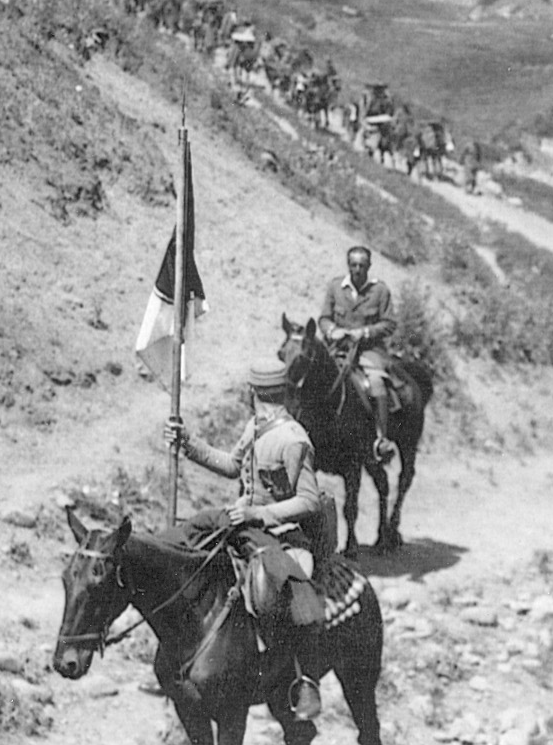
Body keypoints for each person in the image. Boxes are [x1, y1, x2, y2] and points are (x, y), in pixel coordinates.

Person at [165, 362, 326, 715]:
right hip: (244, 522)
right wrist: (188, 443)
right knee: (194, 547)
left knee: (272, 593)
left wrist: (259, 514)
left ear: (252, 393)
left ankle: (296, 676)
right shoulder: (256, 426)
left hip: (283, 535)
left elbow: (309, 501)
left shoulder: (294, 439)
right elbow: (232, 466)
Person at [320, 245, 398, 462]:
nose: (357, 270)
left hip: (368, 350)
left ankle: (381, 439)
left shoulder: (380, 291)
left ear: (369, 266)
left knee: (376, 382)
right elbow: (324, 318)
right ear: (348, 265)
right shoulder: (336, 287)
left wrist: (363, 332)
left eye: (362, 266)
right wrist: (333, 331)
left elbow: (389, 324)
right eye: (353, 265)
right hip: (338, 347)